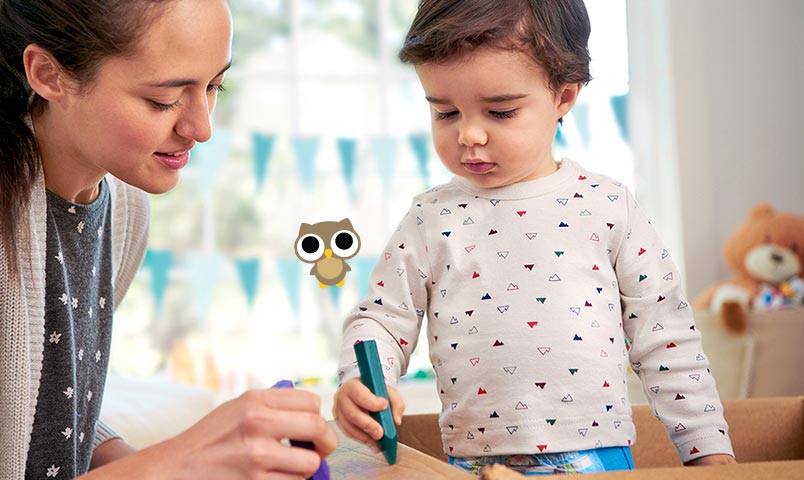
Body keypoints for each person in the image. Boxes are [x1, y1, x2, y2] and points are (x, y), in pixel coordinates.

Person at [333, 0, 736, 475]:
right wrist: (363, 380)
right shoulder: (430, 218)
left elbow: (666, 338)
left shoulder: (608, 207)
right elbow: (383, 319)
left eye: (500, 112)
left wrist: (711, 454)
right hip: (472, 464)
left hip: (595, 460)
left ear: (564, 96)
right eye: (445, 113)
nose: (470, 135)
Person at [0, 0, 337, 478]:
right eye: (163, 100)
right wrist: (179, 461)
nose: (201, 128)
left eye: (215, 86)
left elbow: (57, 416)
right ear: (49, 75)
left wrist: (153, 464)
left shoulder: (124, 207)